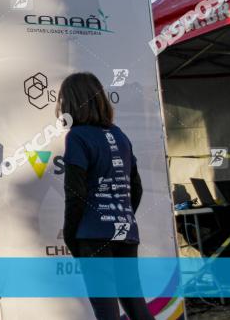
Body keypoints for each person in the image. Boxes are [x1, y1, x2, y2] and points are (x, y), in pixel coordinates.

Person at [59, 72, 153, 320]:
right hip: (125, 229)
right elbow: (137, 187)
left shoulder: (77, 137)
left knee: (106, 311)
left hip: (93, 234)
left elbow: (75, 193)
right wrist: (122, 214)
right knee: (135, 304)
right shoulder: (120, 135)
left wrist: (71, 235)